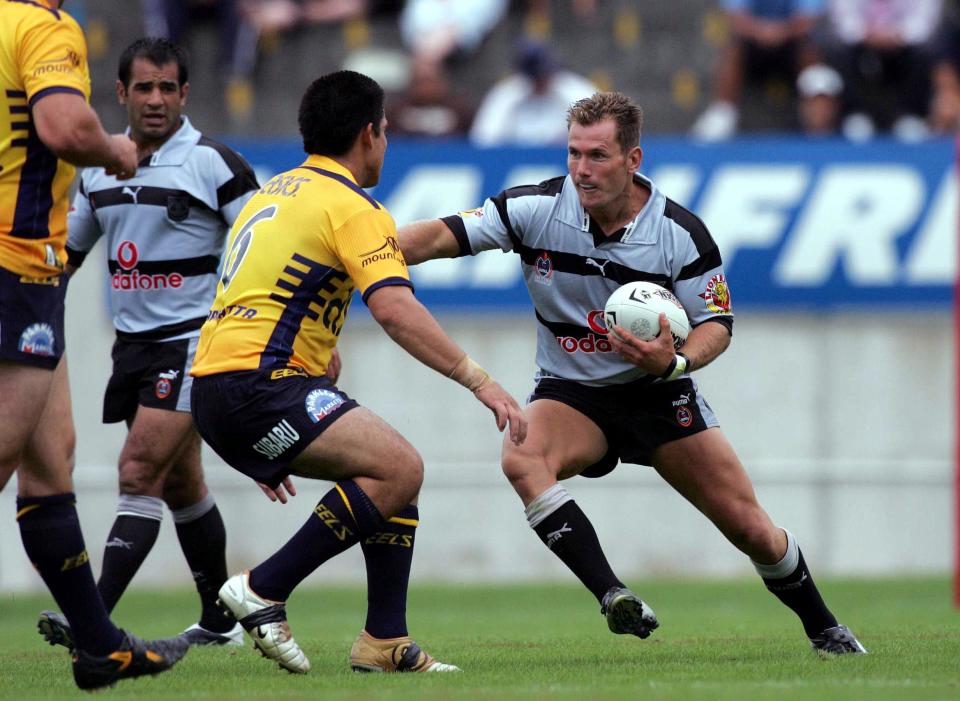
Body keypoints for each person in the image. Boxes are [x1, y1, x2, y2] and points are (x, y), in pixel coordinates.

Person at [397, 91, 868, 656]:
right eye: (573, 153)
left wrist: (676, 362)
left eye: (597, 155)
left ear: (633, 160)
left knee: (750, 529)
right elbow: (429, 239)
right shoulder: (533, 208)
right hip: (572, 394)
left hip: (658, 391)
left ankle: (826, 629)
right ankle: (612, 595)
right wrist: (362, 255)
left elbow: (717, 323)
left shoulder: (679, 234)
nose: (581, 169)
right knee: (522, 456)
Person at [189, 69, 527, 674]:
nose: (387, 143)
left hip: (220, 386)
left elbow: (269, 293)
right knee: (401, 467)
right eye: (386, 131)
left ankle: (383, 640)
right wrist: (480, 379)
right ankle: (264, 588)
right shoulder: (352, 205)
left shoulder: (276, 192)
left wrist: (305, 374)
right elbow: (396, 309)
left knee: (390, 470)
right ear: (370, 133)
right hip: (260, 385)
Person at [35, 37, 260, 652]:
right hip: (132, 350)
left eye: (167, 87)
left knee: (136, 470)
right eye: (144, 87)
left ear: (185, 94)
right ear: (120, 94)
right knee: (182, 483)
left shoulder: (215, 163)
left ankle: (92, 623)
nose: (156, 99)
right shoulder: (95, 168)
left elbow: (264, 252)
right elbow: (67, 260)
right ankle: (221, 620)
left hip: (194, 345)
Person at [0, 0, 189, 690]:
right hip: (13, 266)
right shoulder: (41, 24)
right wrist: (115, 150)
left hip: (31, 271)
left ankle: (99, 644)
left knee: (50, 465)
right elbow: (61, 125)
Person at [691, 0, 825, 141]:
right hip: (754, 44)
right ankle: (723, 111)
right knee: (734, 47)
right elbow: (736, 17)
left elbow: (808, 19)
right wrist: (762, 32)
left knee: (808, 49)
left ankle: (818, 117)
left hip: (791, 44)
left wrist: (779, 33)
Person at [470, 40, 597, 147]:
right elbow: (483, 141)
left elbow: (601, 132)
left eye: (545, 74)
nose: (542, 80)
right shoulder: (506, 96)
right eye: (537, 77)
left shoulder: (573, 90)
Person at [795, 63, 844, 136]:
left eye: (825, 104)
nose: (819, 109)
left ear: (836, 105)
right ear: (802, 104)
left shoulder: (852, 142)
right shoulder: (782, 142)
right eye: (813, 102)